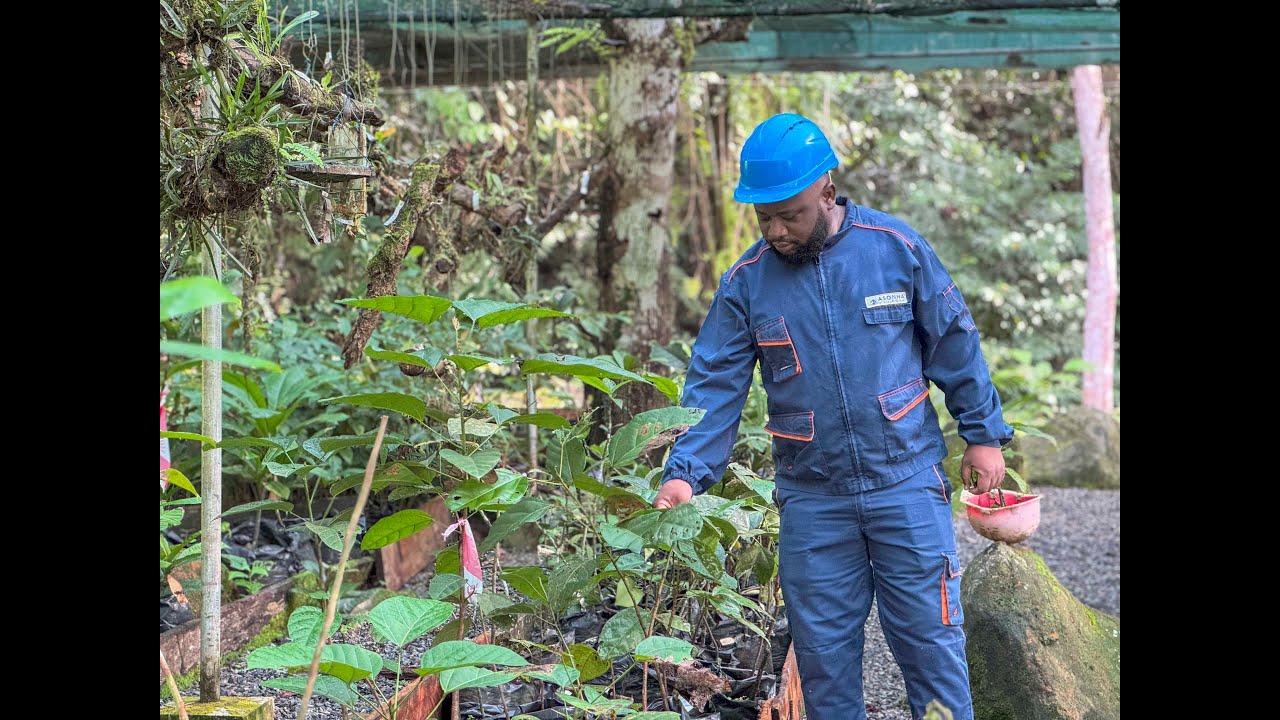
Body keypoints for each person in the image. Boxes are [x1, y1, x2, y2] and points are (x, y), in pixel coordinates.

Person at [653, 113, 1013, 720]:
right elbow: (715, 386)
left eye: (789, 214)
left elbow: (954, 342)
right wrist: (686, 470)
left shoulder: (895, 249)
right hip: (813, 498)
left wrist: (982, 435)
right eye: (762, 217)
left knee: (933, 648)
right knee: (824, 664)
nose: (775, 230)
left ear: (826, 190)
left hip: (906, 484)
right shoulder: (746, 283)